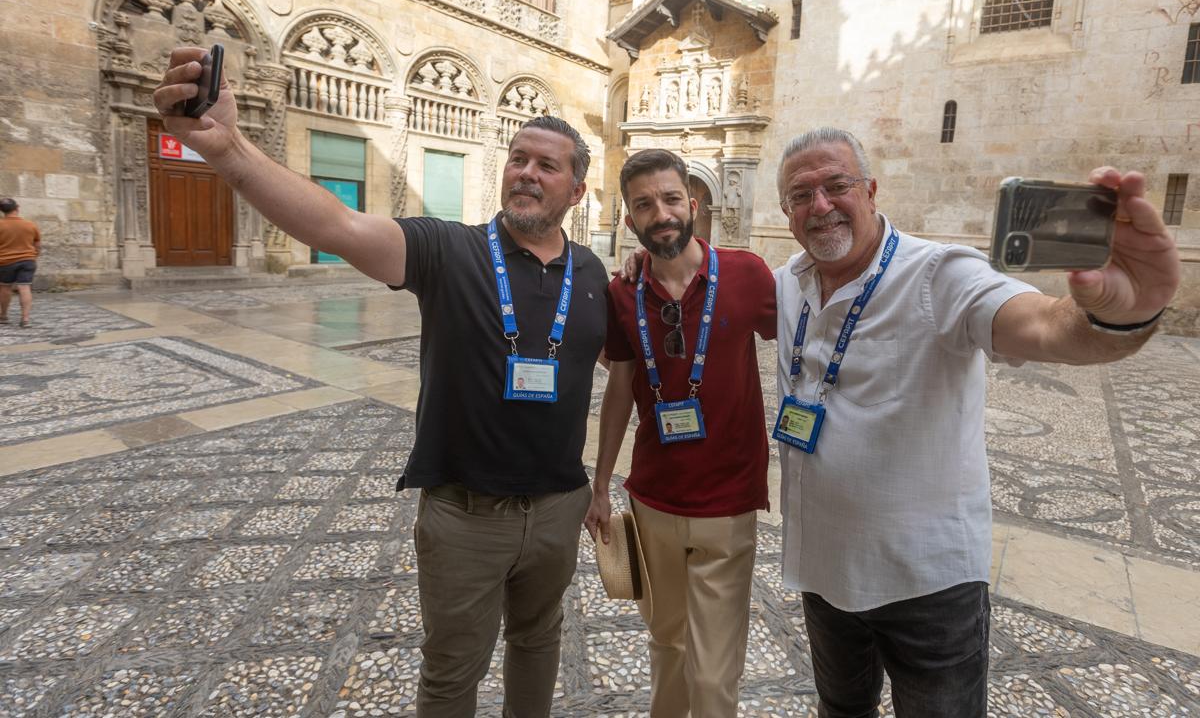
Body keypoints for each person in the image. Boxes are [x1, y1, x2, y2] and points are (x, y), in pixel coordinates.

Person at [152, 48, 609, 718]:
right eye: (518, 158)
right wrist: (230, 150)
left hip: (558, 507)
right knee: (453, 670)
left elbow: (638, 364)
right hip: (465, 514)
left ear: (576, 190)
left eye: (547, 165)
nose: (528, 173)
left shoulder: (594, 275)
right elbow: (336, 226)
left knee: (539, 641)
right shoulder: (448, 250)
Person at [772, 127, 1180, 718]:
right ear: (785, 211)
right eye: (801, 196)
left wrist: (1121, 316)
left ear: (871, 190)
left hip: (926, 585)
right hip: (824, 569)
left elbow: (1043, 326)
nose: (821, 207)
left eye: (837, 186)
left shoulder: (940, 275)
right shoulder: (791, 281)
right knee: (841, 709)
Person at [585, 148, 776, 718]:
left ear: (691, 204)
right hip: (653, 500)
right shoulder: (623, 293)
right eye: (644, 205)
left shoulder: (746, 274)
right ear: (629, 221)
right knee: (667, 645)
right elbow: (619, 390)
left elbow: (801, 345)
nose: (661, 213)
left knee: (715, 677)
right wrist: (600, 485)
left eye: (670, 199)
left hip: (728, 500)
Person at [0, 198, 41, 328]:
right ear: (17, 207)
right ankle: (25, 319)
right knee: (24, 287)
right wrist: (33, 256)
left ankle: (4, 316)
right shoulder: (30, 225)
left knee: (5, 287)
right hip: (27, 260)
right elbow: (37, 244)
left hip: (5, 261)